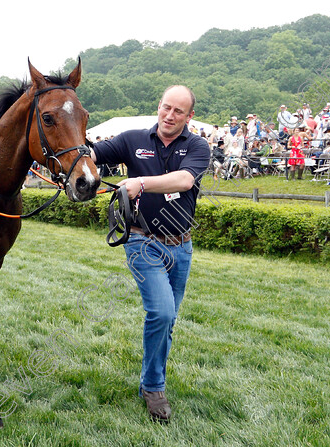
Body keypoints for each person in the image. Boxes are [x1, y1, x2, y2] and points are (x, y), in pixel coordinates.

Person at [90, 85, 210, 423]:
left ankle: (149, 380)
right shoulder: (131, 140)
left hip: (181, 246)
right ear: (158, 106)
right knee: (160, 312)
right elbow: (92, 153)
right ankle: (154, 387)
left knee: (168, 318)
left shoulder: (198, 146)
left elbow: (185, 181)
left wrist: (141, 183)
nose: (169, 116)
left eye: (178, 111)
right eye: (166, 108)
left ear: (189, 117)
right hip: (142, 241)